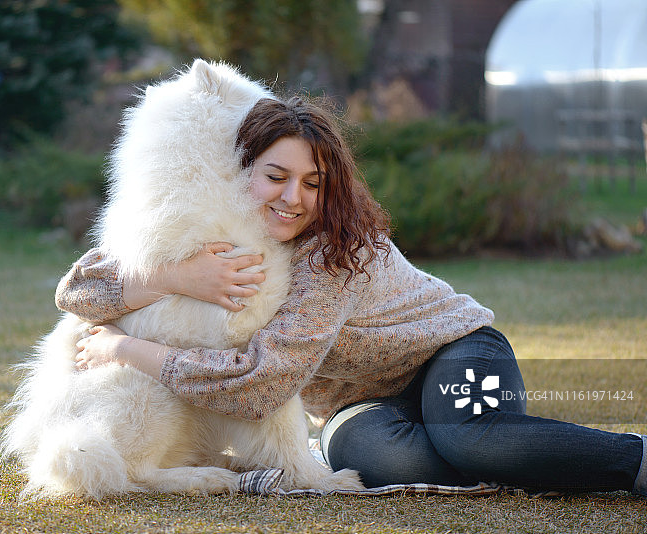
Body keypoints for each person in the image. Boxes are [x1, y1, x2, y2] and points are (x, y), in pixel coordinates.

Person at [57, 96, 646, 495]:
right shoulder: (222, 234)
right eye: (276, 174)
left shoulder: (333, 254)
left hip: (456, 354)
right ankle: (504, 456)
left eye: (314, 183)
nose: (294, 197)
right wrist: (175, 277)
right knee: (375, 465)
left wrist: (126, 351)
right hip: (365, 404)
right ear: (242, 169)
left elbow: (262, 383)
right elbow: (77, 289)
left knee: (470, 436)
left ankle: (634, 460)